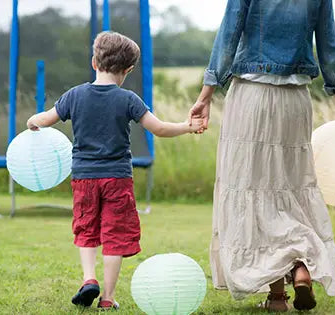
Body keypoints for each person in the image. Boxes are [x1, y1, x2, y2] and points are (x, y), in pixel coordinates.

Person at [189, 0, 335, 312]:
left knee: (255, 191)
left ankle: (279, 296)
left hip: (252, 98)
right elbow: (329, 44)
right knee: (290, 191)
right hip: (296, 101)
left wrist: (206, 95)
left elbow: (229, 34)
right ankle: (298, 270)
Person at [27, 31, 204, 311]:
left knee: (86, 229)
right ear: (128, 70)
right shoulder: (128, 99)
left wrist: (32, 122)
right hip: (118, 179)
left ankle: (88, 279)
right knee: (114, 235)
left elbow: (46, 119)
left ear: (94, 62)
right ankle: (107, 298)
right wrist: (187, 126)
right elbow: (158, 128)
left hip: (84, 178)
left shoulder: (74, 96)